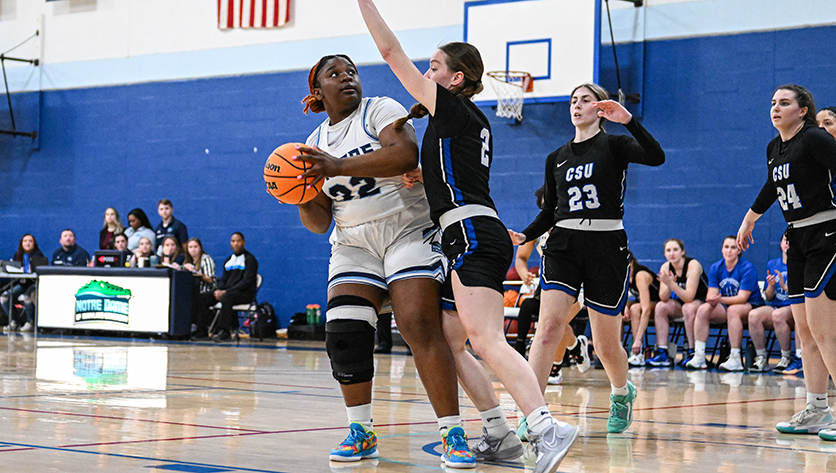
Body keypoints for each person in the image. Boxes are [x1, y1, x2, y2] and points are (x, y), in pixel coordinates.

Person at [357, 2, 580, 470]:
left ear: (455, 79)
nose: (426, 71)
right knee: (449, 339)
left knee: (486, 339)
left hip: (471, 231)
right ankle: (498, 433)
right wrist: (426, 174)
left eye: (434, 66)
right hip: (470, 228)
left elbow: (388, 49)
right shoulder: (465, 120)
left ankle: (545, 426)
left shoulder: (451, 107)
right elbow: (459, 173)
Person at [291, 52, 476, 467]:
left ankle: (453, 433)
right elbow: (320, 222)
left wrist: (336, 165)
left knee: (418, 325)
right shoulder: (315, 142)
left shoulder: (381, 109)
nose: (347, 78)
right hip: (354, 243)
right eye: (334, 74)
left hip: (407, 229)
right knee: (343, 330)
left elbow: (406, 155)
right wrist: (296, 194)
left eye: (352, 71)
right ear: (318, 91)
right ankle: (360, 431)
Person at [508, 82, 664, 437]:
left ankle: (622, 393)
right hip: (563, 245)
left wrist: (628, 121)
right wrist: (527, 234)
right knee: (547, 328)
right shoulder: (556, 157)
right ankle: (533, 412)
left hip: (606, 244)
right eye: (573, 101)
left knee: (605, 344)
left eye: (586, 100)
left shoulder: (616, 144)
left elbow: (657, 156)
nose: (577, 106)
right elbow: (550, 211)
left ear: (600, 108)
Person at [737, 86, 836, 439]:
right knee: (805, 331)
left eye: (784, 103)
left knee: (826, 331)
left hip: (826, 233)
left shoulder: (816, 139)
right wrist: (750, 219)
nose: (775, 108)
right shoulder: (774, 147)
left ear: (804, 110)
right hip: (796, 238)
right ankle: (818, 408)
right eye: (773, 103)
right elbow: (772, 186)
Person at [685, 236, 764, 371]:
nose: (729, 251)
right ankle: (699, 355)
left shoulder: (747, 267)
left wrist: (719, 299)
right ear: (722, 249)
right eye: (726, 247)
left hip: (751, 305)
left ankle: (735, 357)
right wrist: (713, 299)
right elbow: (711, 294)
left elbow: (742, 298)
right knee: (704, 308)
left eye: (733, 248)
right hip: (727, 306)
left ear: (739, 250)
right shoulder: (716, 267)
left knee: (733, 310)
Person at [651, 238, 709, 367]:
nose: (672, 253)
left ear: (682, 252)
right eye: (668, 250)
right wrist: (667, 284)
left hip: (701, 302)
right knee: (661, 307)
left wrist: (671, 283)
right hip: (683, 303)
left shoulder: (693, 265)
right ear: (665, 254)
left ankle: (692, 352)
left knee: (688, 308)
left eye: (675, 250)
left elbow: (689, 297)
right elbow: (663, 297)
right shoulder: (666, 266)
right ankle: (662, 352)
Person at [193, 232, 257, 342]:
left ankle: (225, 332)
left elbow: (246, 282)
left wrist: (226, 291)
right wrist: (218, 290)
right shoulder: (228, 261)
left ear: (243, 242)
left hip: (244, 293)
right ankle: (202, 331)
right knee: (203, 298)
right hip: (228, 292)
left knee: (226, 298)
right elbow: (223, 279)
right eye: (233, 241)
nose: (235, 244)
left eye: (238, 241)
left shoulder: (250, 260)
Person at [747, 232, 795, 372]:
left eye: (791, 240)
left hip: (794, 306)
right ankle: (761, 358)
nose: (787, 243)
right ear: (780, 244)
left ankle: (786, 357)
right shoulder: (772, 264)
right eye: (785, 240)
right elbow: (768, 297)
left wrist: (785, 287)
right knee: (754, 315)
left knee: (778, 315)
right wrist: (772, 286)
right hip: (776, 305)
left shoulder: (800, 264)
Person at [0, 234, 48, 331]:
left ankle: (30, 322)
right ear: (21, 243)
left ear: (34, 244)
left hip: (34, 284)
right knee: (4, 297)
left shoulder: (38, 256)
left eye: (30, 241)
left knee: (27, 296)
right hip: (22, 284)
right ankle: (13, 321)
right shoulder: (17, 255)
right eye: (25, 241)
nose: (27, 243)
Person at [624, 251, 661, 367]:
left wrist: (638, 340)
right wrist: (624, 307)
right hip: (642, 303)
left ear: (631, 263)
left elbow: (646, 310)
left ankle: (638, 352)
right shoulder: (623, 276)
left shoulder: (640, 276)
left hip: (659, 305)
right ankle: (619, 348)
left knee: (635, 309)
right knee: (618, 310)